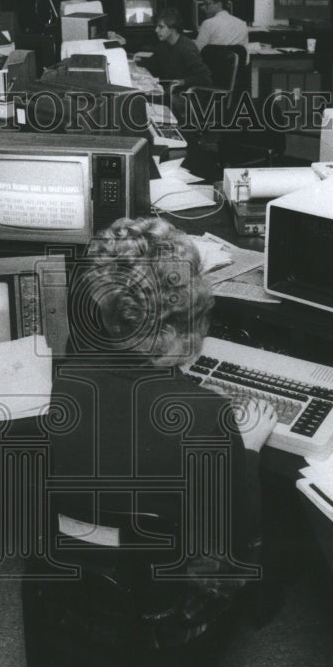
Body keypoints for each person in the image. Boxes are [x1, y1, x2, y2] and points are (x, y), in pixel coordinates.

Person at [45, 217, 278, 627]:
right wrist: (250, 451)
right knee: (265, 540)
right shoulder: (208, 415)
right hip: (165, 605)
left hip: (88, 571)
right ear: (177, 327)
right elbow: (237, 536)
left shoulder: (67, 378)